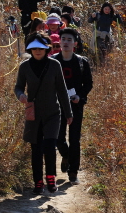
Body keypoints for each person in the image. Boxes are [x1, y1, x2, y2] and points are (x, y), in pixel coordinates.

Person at [14, 32, 73, 195]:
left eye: (40, 48)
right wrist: (21, 95)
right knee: (36, 149)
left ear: (46, 49)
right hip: (33, 114)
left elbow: (62, 90)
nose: (37, 51)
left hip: (53, 113)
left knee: (49, 146)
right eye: (34, 49)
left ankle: (51, 180)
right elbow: (18, 87)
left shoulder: (55, 65)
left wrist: (68, 113)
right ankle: (38, 182)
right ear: (30, 50)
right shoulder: (24, 66)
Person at [50, 28, 93, 185]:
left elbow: (88, 84)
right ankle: (66, 155)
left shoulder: (82, 62)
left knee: (75, 139)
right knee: (58, 138)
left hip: (75, 105)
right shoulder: (53, 61)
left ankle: (73, 172)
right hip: (57, 105)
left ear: (75, 43)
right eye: (63, 39)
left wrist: (79, 96)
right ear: (59, 42)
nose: (66, 42)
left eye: (69, 40)